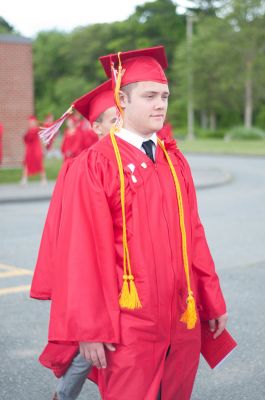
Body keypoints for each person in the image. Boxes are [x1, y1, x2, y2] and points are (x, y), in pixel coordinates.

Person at [34, 46, 227, 400]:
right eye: (149, 96)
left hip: (181, 319)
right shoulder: (95, 164)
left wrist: (212, 301)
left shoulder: (174, 160)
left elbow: (194, 236)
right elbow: (82, 252)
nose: (160, 104)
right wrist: (89, 328)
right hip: (128, 326)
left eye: (165, 96)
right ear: (122, 101)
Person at [30, 80, 117, 400]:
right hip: (91, 267)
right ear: (96, 126)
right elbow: (71, 232)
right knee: (93, 341)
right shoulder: (80, 166)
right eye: (113, 120)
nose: (120, 126)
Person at [21, 115, 47, 185]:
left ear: (34, 122)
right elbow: (26, 139)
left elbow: (39, 139)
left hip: (36, 149)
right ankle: (24, 179)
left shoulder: (36, 129)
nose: (31, 123)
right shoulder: (29, 130)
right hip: (29, 149)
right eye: (30, 122)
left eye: (32, 122)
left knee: (39, 163)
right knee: (26, 163)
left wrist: (43, 149)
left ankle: (43, 179)